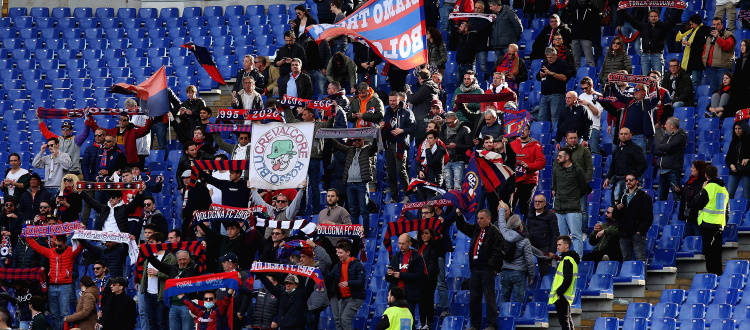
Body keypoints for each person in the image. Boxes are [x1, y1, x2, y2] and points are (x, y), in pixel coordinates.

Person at [455, 208, 502, 330]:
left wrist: (490, 266)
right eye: (478, 218)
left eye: (482, 218)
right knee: (474, 298)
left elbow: (498, 252)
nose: (479, 221)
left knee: (489, 298)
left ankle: (492, 324)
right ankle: (475, 325)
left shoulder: (494, 232)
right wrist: (459, 215)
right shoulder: (476, 229)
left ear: (489, 219)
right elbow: (462, 227)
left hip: (487, 270)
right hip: (475, 270)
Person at [25, 234, 83, 330]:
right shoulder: (50, 252)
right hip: (52, 286)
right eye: (55, 245)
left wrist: (82, 232)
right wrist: (27, 236)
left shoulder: (71, 251)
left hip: (65, 286)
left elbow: (81, 246)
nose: (57, 247)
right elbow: (36, 247)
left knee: (64, 314)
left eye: (59, 246)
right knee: (54, 314)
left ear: (65, 243)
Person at [147, 250, 201, 330]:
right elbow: (157, 264)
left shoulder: (193, 269)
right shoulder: (172, 269)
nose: (182, 262)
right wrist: (147, 253)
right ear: (177, 260)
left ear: (189, 259)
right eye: (180, 259)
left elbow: (201, 262)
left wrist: (200, 251)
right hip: (173, 306)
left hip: (187, 306)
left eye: (184, 259)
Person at [690, 165, 728, 275]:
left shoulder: (708, 188)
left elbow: (697, 203)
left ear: (706, 175)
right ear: (717, 175)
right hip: (719, 223)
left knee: (709, 251)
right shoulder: (723, 189)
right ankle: (718, 274)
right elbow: (727, 208)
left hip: (708, 223)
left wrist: (702, 189)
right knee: (717, 251)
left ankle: (712, 274)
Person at [622, 8, 683, 75]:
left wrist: (680, 9)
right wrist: (622, 10)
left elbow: (674, 20)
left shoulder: (663, 26)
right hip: (645, 56)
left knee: (658, 78)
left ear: (658, 17)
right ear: (649, 17)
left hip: (657, 55)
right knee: (646, 79)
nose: (653, 18)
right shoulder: (644, 26)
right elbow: (632, 21)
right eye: (651, 16)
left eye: (655, 16)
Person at [552, 148, 589, 255]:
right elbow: (555, 186)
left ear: (567, 157)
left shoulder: (578, 170)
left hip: (573, 208)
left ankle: (578, 259)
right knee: (561, 237)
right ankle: (561, 260)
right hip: (559, 208)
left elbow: (584, 187)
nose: (557, 158)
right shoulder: (556, 169)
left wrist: (574, 197)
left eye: (560, 156)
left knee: (576, 235)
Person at [381, 93, 416, 203]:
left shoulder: (406, 112)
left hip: (400, 145)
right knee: (390, 173)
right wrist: (382, 126)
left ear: (398, 100)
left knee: (401, 171)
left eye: (393, 101)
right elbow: (386, 127)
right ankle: (394, 197)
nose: (391, 103)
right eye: (390, 100)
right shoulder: (387, 112)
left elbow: (414, 127)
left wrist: (402, 130)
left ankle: (408, 195)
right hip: (389, 145)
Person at [497, 201, 535, 304]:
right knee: (518, 300)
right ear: (520, 226)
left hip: (504, 271)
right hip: (519, 272)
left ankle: (504, 318)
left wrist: (502, 209)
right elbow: (529, 260)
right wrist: (531, 276)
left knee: (504, 299)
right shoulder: (525, 241)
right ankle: (516, 318)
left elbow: (501, 222)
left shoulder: (503, 234)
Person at [386, 233, 425, 326]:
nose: (401, 246)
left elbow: (419, 276)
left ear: (410, 244)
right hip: (396, 295)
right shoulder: (396, 257)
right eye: (399, 243)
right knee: (395, 322)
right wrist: (389, 274)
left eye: (403, 244)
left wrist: (401, 275)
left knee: (407, 322)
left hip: (410, 295)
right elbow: (388, 278)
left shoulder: (417, 257)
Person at [327, 240, 366, 330]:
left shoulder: (357, 265)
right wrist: (319, 273)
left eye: (341, 252)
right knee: (340, 321)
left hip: (355, 297)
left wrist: (348, 283)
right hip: (343, 298)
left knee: (345, 320)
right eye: (337, 252)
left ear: (348, 253)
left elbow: (361, 282)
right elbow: (329, 277)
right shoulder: (338, 265)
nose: (338, 254)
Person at [86, 114, 153, 166]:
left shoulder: (133, 132)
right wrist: (90, 117)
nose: (122, 121)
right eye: (120, 119)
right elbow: (98, 130)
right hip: (115, 159)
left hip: (128, 160)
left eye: (124, 120)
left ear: (128, 122)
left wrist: (149, 119)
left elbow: (145, 130)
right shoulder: (113, 131)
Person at [608, 84, 659, 152]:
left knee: (638, 160)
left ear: (644, 92)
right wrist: (612, 84)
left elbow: (656, 97)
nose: (635, 91)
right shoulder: (630, 100)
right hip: (626, 137)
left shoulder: (648, 103)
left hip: (639, 137)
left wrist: (656, 84)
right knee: (625, 159)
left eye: (637, 90)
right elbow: (619, 95)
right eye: (634, 90)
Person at [614, 174, 653, 261]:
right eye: (627, 180)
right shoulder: (622, 196)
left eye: (631, 180)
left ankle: (642, 275)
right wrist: (616, 209)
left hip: (637, 233)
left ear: (637, 181)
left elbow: (648, 217)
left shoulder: (644, 197)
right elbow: (615, 216)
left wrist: (640, 231)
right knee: (626, 259)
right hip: (624, 233)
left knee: (640, 258)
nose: (628, 182)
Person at [510, 124, 546, 216]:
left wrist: (528, 166)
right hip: (514, 180)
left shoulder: (536, 145)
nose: (522, 132)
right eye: (520, 129)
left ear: (529, 131)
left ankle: (525, 228)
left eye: (525, 129)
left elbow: (541, 163)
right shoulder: (512, 144)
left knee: (524, 207)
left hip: (529, 181)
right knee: (510, 206)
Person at [604, 128, 647, 201]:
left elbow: (643, 164)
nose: (623, 136)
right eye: (621, 134)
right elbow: (613, 165)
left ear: (630, 135)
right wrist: (608, 177)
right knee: (617, 203)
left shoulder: (635, 148)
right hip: (617, 181)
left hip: (629, 182)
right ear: (618, 135)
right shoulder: (616, 150)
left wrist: (633, 176)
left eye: (626, 134)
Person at [548, 235, 579, 330]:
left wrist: (559, 292)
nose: (557, 247)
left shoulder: (567, 260)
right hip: (566, 294)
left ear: (566, 246)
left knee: (564, 321)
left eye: (559, 245)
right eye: (557, 245)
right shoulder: (569, 259)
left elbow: (568, 279)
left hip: (563, 295)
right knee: (567, 319)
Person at [653, 117, 687, 201]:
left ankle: (678, 213)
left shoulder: (680, 136)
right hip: (662, 169)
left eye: (667, 124)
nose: (665, 126)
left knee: (677, 196)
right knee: (661, 196)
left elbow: (669, 147)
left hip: (673, 169)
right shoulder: (666, 137)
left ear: (672, 126)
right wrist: (664, 151)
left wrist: (663, 148)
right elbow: (656, 150)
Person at [526, 195, 559, 273]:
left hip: (544, 248)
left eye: (540, 201)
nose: (537, 203)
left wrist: (552, 250)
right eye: (535, 201)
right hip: (531, 246)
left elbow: (555, 233)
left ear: (545, 203)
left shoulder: (551, 216)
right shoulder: (530, 214)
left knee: (544, 271)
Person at [676, 14, 711, 87]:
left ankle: (695, 97)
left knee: (695, 81)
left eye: (692, 24)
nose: (691, 26)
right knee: (685, 82)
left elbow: (703, 45)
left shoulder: (704, 30)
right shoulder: (691, 31)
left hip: (697, 61)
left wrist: (690, 44)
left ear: (697, 23)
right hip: (689, 61)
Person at [562, 0, 599, 68]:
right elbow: (565, 19)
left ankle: (591, 76)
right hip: (574, 37)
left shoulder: (592, 7)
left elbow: (596, 23)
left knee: (590, 60)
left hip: (586, 37)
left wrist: (590, 33)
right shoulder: (572, 6)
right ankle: (576, 77)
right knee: (575, 62)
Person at [702, 18, 736, 92]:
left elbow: (727, 47)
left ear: (722, 25)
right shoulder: (709, 36)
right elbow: (705, 49)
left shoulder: (728, 35)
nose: (715, 26)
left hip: (723, 67)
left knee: (724, 89)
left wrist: (718, 37)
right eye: (714, 24)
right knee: (714, 90)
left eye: (718, 24)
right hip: (710, 67)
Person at [440, 112, 472, 190]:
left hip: (459, 160)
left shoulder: (464, 130)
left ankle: (458, 201)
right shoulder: (444, 129)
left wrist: (456, 146)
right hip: (447, 160)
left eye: (451, 122)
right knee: (449, 186)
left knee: (458, 186)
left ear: (456, 119)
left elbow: (469, 146)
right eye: (447, 123)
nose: (450, 124)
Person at [536, 47, 568, 124]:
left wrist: (550, 73)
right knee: (541, 117)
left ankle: (555, 134)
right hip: (545, 95)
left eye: (550, 57)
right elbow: (537, 77)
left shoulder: (562, 63)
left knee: (555, 117)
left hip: (556, 94)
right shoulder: (545, 63)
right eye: (547, 57)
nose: (549, 59)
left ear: (555, 55)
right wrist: (541, 75)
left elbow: (564, 78)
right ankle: (541, 133)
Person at [578, 77, 604, 154]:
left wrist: (588, 104)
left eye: (586, 88)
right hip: (582, 127)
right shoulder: (581, 96)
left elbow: (597, 113)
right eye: (582, 88)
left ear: (591, 85)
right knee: (581, 152)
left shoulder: (598, 96)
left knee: (594, 150)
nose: (584, 90)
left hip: (594, 126)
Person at [726, 122, 750, 199]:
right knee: (729, 193)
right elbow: (728, 158)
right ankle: (728, 210)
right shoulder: (733, 142)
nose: (737, 130)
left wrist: (748, 159)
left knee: (747, 194)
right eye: (735, 129)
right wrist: (731, 165)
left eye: (739, 128)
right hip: (734, 171)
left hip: (746, 170)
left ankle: (747, 211)